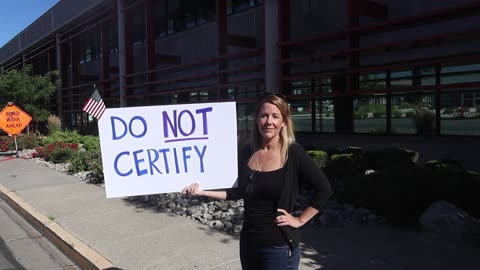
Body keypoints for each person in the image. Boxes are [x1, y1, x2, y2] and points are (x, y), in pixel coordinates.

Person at [182, 93, 332, 270]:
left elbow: (324, 189)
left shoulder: (293, 154)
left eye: (275, 116)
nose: (269, 121)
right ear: (257, 120)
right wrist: (202, 191)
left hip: (279, 248)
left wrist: (299, 220)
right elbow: (236, 191)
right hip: (249, 243)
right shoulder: (248, 151)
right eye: (264, 115)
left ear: (283, 122)